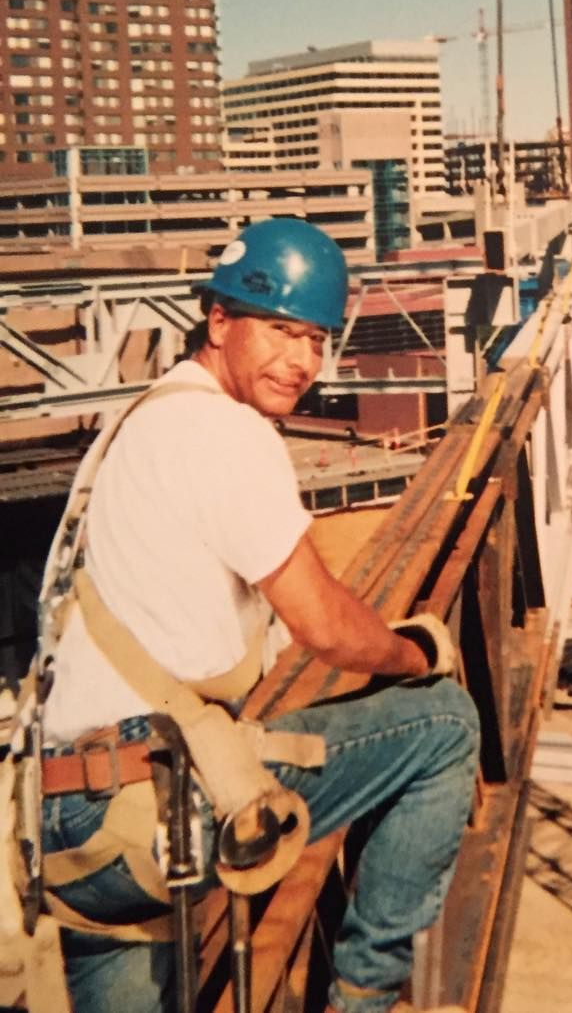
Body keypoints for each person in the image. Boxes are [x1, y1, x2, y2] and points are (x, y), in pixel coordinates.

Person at [36, 218, 479, 1013]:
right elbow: (323, 626)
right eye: (281, 332)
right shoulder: (228, 431)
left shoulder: (131, 425)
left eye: (317, 340)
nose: (303, 362)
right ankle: (365, 996)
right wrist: (419, 656)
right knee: (445, 724)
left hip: (61, 820)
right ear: (219, 322)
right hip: (148, 805)